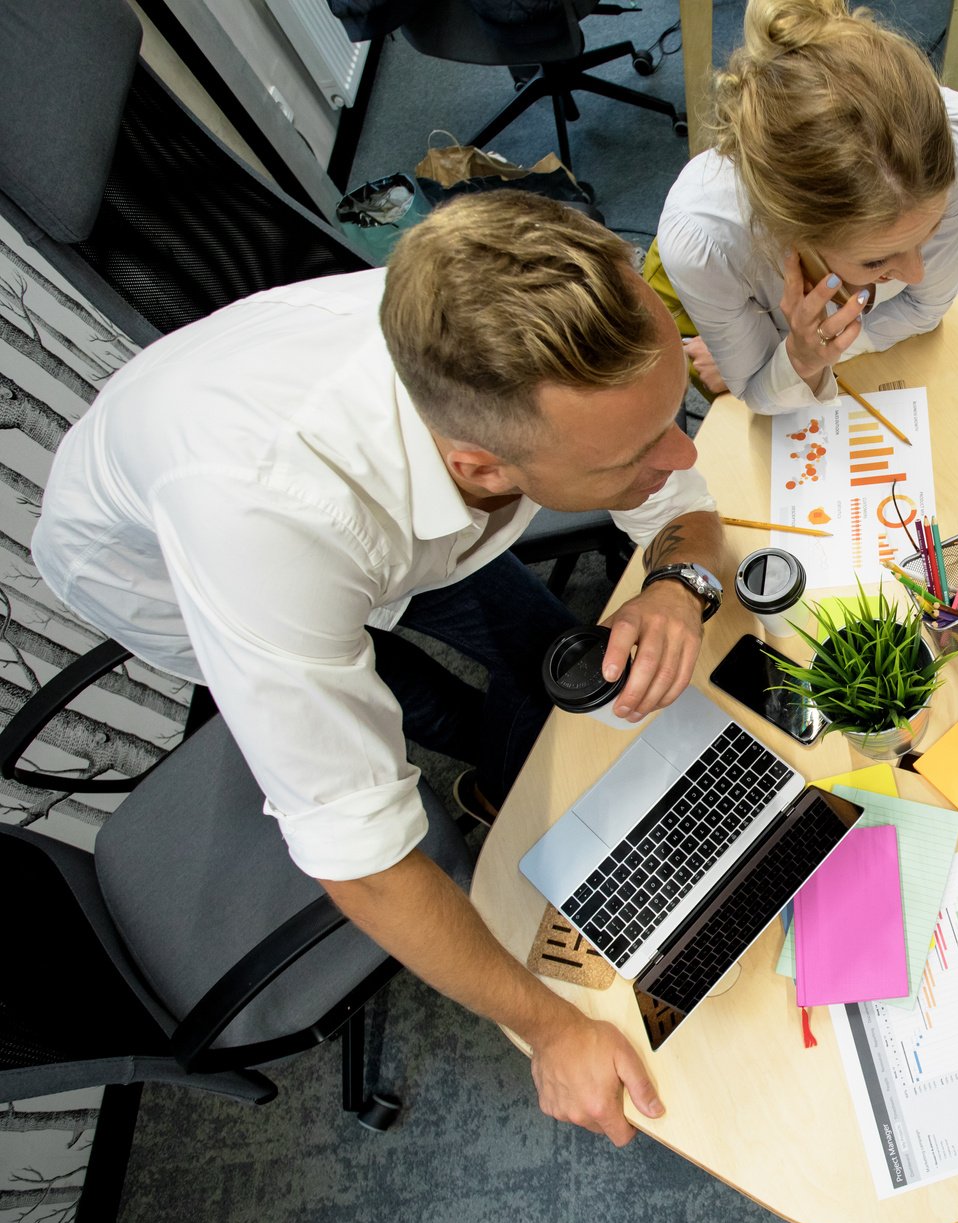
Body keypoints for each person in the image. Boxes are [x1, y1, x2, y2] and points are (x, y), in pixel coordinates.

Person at [33, 191, 734, 1145]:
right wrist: (549, 1024)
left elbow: (675, 498)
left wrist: (677, 582)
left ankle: (501, 779)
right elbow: (360, 859)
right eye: (635, 456)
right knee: (403, 711)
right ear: (483, 468)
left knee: (540, 665)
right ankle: (484, 777)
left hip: (377, 523)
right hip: (171, 563)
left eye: (668, 416)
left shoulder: (491, 323)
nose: (684, 450)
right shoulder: (264, 531)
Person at [648, 0, 958, 413]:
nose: (918, 272)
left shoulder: (957, 139)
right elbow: (759, 398)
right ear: (790, 233)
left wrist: (791, 359)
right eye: (876, 259)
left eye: (929, 233)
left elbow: (926, 307)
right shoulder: (705, 243)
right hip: (712, 281)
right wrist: (801, 359)